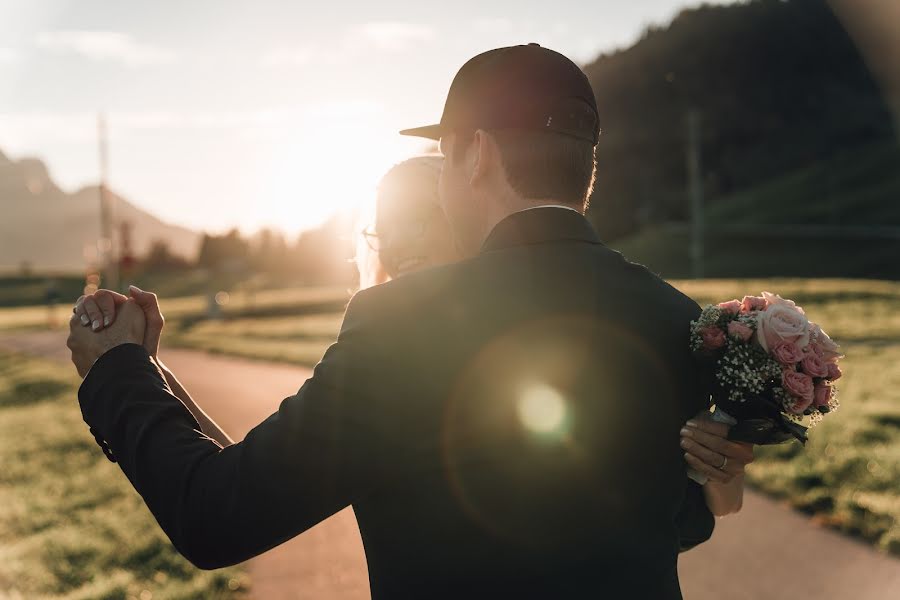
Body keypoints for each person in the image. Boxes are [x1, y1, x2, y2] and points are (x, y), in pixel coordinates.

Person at [66, 44, 755, 598]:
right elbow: (678, 523)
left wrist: (116, 371)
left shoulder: (405, 323)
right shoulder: (676, 318)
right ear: (589, 167)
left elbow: (216, 516)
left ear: (476, 154)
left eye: (446, 155)